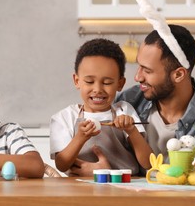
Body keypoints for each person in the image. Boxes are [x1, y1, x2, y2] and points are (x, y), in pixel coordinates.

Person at [116, 24, 195, 160]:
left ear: (179, 75)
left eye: (147, 70)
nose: (137, 77)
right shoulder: (129, 101)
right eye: (139, 66)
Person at [50, 38, 152, 177]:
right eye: (89, 81)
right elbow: (61, 165)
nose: (97, 89)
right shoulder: (65, 117)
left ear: (120, 83)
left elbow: (148, 163)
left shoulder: (124, 110)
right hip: (80, 187)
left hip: (125, 186)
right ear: (77, 81)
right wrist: (79, 138)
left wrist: (132, 130)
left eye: (107, 82)